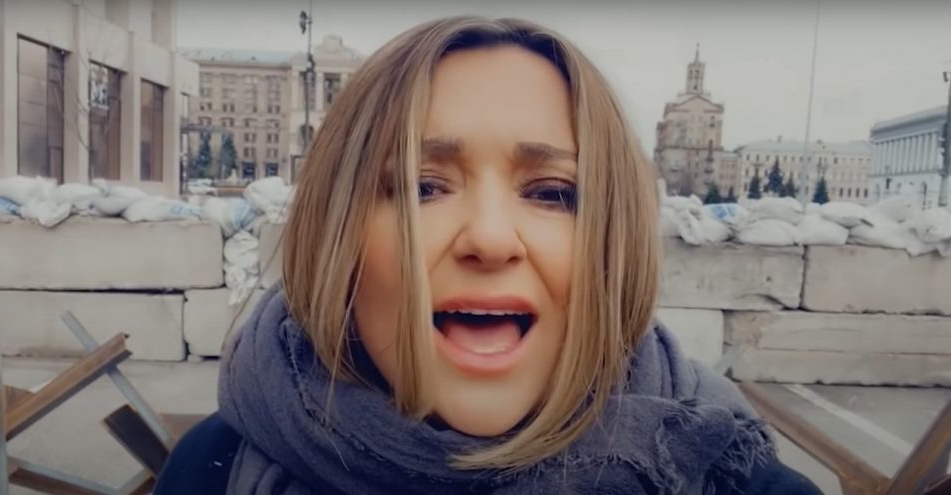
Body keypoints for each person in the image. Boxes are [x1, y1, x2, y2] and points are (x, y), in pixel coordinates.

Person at [156, 16, 822, 494]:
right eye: (421, 187)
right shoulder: (210, 470)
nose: (491, 238)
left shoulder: (725, 474)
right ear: (337, 233)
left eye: (553, 192)